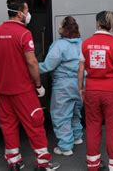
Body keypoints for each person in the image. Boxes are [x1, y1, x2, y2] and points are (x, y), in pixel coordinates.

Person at [0, 0, 60, 171]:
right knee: (35, 123)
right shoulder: (24, 34)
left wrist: (1, 78)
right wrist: (38, 85)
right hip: (23, 90)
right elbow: (32, 62)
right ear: (20, 13)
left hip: (4, 89)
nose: (28, 14)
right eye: (27, 11)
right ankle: (43, 163)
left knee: (8, 125)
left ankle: (14, 162)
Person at [78, 11, 113, 171]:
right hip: (111, 92)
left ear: (97, 23)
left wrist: (81, 88)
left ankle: (93, 164)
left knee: (93, 126)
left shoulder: (85, 43)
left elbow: (80, 69)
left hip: (92, 91)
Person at [38, 16, 83, 156]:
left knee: (61, 115)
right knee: (75, 111)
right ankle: (77, 137)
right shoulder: (81, 43)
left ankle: (65, 147)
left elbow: (48, 65)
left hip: (64, 86)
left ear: (64, 29)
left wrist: (33, 67)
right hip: (80, 83)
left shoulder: (59, 45)